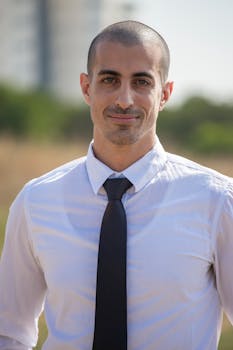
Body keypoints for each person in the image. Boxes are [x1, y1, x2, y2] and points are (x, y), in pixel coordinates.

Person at [0, 20, 233, 350]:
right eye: (109, 80)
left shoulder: (218, 200)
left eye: (141, 82)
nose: (125, 100)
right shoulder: (35, 201)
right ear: (86, 87)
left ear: (164, 93)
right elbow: (8, 330)